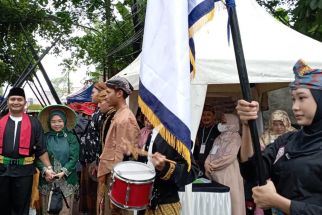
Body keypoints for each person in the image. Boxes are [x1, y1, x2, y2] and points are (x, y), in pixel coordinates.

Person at [236, 59, 322, 214]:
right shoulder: (287, 141)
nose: (295, 107)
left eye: (302, 98)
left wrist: (278, 202)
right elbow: (252, 171)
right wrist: (247, 126)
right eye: (293, 99)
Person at [0, 87, 54, 215]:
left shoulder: (34, 123)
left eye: (19, 99)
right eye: (13, 99)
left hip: (24, 172)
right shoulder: (0, 121)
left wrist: (49, 168)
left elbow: (41, 149)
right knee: (2, 206)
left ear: (25, 102)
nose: (16, 102)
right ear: (8, 102)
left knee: (21, 208)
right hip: (1, 170)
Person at [136, 121, 200, 215]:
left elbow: (192, 170)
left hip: (165, 205)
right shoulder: (152, 132)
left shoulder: (176, 133)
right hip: (145, 204)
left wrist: (165, 167)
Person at [97, 76, 140, 215]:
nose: (106, 96)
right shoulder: (119, 114)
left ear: (119, 93)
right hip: (112, 173)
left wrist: (115, 185)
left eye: (109, 92)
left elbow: (123, 155)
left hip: (117, 177)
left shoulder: (125, 118)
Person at [37, 105, 80, 215]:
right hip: (47, 180)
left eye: (60, 121)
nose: (57, 124)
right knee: (48, 210)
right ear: (49, 123)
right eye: (53, 121)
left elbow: (74, 158)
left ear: (65, 121)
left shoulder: (71, 137)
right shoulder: (43, 137)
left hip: (66, 180)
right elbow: (37, 157)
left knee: (64, 211)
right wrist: (46, 171)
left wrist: (63, 172)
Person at [79, 81, 113, 215]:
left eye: (93, 92)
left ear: (101, 93)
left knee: (95, 197)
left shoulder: (104, 114)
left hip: (96, 163)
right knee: (89, 196)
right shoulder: (97, 112)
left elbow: (104, 141)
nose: (90, 95)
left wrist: (98, 162)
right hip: (88, 160)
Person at [204, 113, 245, 215]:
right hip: (215, 173)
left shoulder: (235, 137)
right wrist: (206, 163)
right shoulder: (219, 138)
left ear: (232, 123)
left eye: (224, 122)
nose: (221, 124)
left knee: (232, 200)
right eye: (221, 122)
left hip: (229, 172)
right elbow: (212, 152)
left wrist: (212, 165)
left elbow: (229, 156)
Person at [193, 105, 221, 176]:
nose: (206, 117)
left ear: (213, 116)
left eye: (208, 115)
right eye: (203, 115)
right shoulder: (199, 129)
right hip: (199, 164)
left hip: (212, 165)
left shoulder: (218, 129)